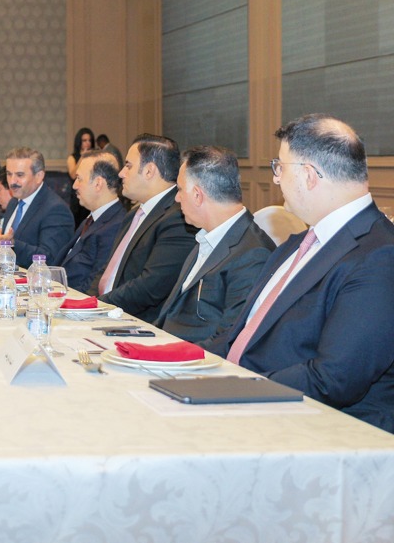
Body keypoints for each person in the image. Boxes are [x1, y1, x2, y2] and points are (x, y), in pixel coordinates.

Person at [206, 115, 394, 433]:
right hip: (251, 401)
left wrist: (232, 389)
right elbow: (238, 336)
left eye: (279, 166)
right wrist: (177, 362)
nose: (276, 179)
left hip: (321, 430)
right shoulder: (298, 243)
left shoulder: (379, 256)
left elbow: (334, 378)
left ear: (308, 175)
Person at [155, 146, 274, 345]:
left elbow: (227, 341)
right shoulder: (207, 236)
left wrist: (162, 355)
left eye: (180, 189)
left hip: (193, 365)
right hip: (165, 349)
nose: (176, 198)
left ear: (197, 195)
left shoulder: (253, 254)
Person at [96, 134, 197, 323]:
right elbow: (108, 270)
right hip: (110, 313)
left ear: (150, 171)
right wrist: (85, 302)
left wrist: (96, 306)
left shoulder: (178, 217)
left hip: (136, 324)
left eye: (128, 166)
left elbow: (151, 286)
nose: (121, 173)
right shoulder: (134, 215)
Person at [0, 147, 74, 267]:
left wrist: (12, 244)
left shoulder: (56, 210)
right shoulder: (14, 202)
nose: (12, 181)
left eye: (20, 175)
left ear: (39, 176)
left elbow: (50, 259)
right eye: (9, 174)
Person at [59, 151, 128, 294]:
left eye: (79, 179)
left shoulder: (115, 225)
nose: (74, 185)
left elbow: (95, 286)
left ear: (98, 184)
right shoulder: (92, 218)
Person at [67, 127, 95, 227]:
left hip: (91, 192)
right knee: (77, 222)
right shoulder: (72, 157)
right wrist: (83, 157)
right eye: (84, 140)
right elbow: (73, 174)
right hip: (77, 194)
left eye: (89, 140)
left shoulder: (94, 156)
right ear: (79, 141)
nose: (87, 143)